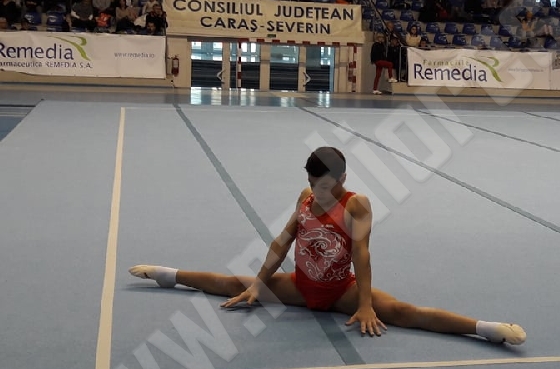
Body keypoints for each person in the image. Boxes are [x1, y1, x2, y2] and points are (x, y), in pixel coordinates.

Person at [129, 147, 526, 344]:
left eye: (324, 185)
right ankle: (169, 275)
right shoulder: (305, 196)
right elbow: (283, 240)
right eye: (312, 183)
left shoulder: (356, 204)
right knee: (236, 283)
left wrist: (365, 304)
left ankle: (486, 329)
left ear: (341, 179)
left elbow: (362, 256)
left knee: (403, 312)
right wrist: (260, 283)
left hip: (340, 293)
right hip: (300, 287)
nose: (317, 192)